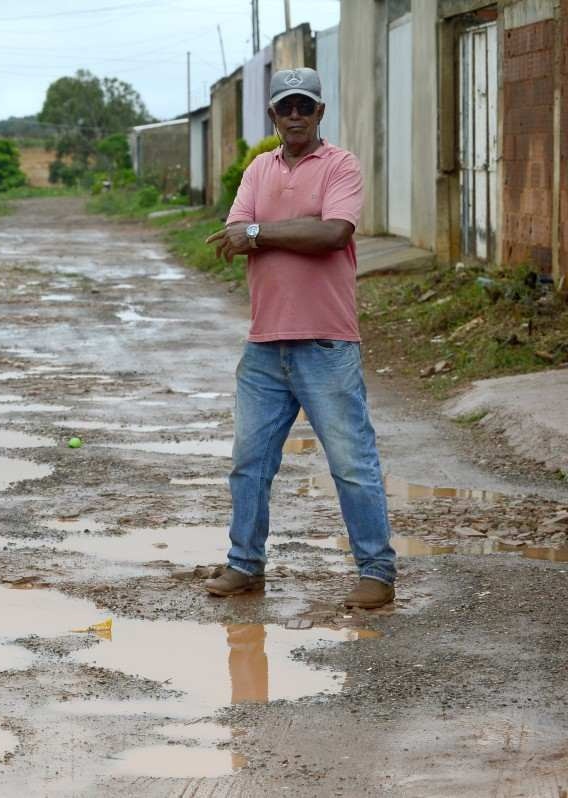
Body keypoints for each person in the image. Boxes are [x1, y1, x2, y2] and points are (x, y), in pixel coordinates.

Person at [201, 67, 397, 609]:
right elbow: (232, 237)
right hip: (265, 344)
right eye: (285, 107)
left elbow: (334, 233)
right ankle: (244, 564)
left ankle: (376, 572)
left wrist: (263, 233)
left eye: (303, 107)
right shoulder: (258, 169)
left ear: (319, 113)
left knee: (352, 463)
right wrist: (273, 233)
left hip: (326, 343)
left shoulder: (341, 166)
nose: (294, 116)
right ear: (272, 114)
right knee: (249, 462)